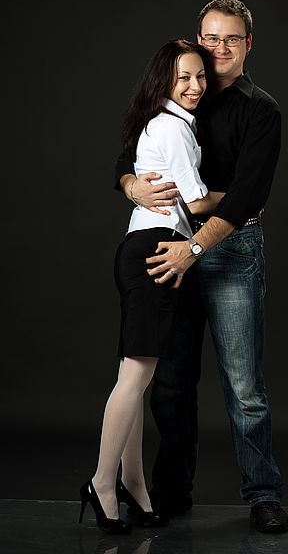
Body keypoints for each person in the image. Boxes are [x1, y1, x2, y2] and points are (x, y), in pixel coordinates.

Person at [115, 0, 288, 533]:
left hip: (229, 252)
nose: (219, 49)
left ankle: (262, 493)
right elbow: (130, 155)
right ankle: (173, 490)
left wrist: (195, 245)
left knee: (244, 386)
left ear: (248, 44)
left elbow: (246, 198)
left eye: (231, 38)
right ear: (198, 38)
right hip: (171, 248)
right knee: (170, 381)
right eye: (211, 37)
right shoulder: (178, 89)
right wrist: (131, 185)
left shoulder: (261, 109)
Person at [79, 39, 223, 534]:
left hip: (143, 250)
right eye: (183, 77)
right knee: (134, 380)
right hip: (154, 252)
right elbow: (199, 202)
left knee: (135, 377)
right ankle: (101, 484)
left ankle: (136, 488)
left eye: (200, 76)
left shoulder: (163, 123)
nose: (195, 86)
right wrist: (247, 194)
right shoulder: (170, 127)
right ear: (163, 80)